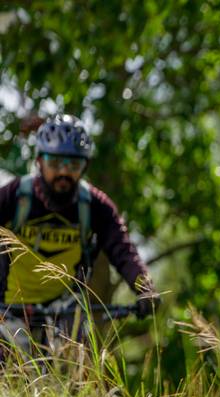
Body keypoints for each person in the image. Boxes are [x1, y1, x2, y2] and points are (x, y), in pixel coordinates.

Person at [0, 114, 159, 358]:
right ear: (39, 161)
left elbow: (122, 249)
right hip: (8, 305)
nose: (64, 173)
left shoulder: (95, 206)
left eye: (73, 165)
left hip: (65, 306)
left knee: (77, 372)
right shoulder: (15, 196)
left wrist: (144, 287)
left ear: (84, 166)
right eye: (55, 163)